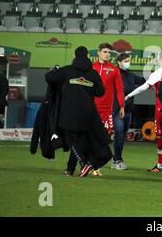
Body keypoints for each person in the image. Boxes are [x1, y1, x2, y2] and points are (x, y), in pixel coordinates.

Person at [45, 46, 106, 177]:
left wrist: (54, 70)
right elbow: (100, 92)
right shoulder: (93, 73)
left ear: (75, 55)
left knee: (70, 139)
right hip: (88, 114)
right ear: (87, 56)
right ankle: (70, 169)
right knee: (78, 142)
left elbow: (50, 78)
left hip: (69, 112)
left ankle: (85, 164)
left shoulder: (67, 70)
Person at [125, 49, 162, 172]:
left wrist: (128, 95)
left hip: (161, 110)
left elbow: (142, 88)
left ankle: (161, 165)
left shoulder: (157, 73)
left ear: (159, 59)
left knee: (161, 136)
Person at [92, 43, 125, 176]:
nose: (107, 54)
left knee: (102, 139)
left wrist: (122, 105)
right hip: (91, 108)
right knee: (91, 137)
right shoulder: (91, 67)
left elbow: (119, 89)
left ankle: (96, 165)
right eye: (105, 52)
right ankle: (92, 165)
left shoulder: (114, 70)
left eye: (109, 52)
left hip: (106, 110)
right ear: (99, 52)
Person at [111, 53, 145, 171]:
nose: (127, 62)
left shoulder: (130, 75)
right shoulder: (116, 73)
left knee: (122, 136)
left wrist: (153, 78)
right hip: (118, 109)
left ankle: (116, 159)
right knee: (119, 135)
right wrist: (139, 88)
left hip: (128, 110)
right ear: (119, 62)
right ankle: (117, 160)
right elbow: (124, 88)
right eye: (125, 60)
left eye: (128, 60)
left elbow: (142, 80)